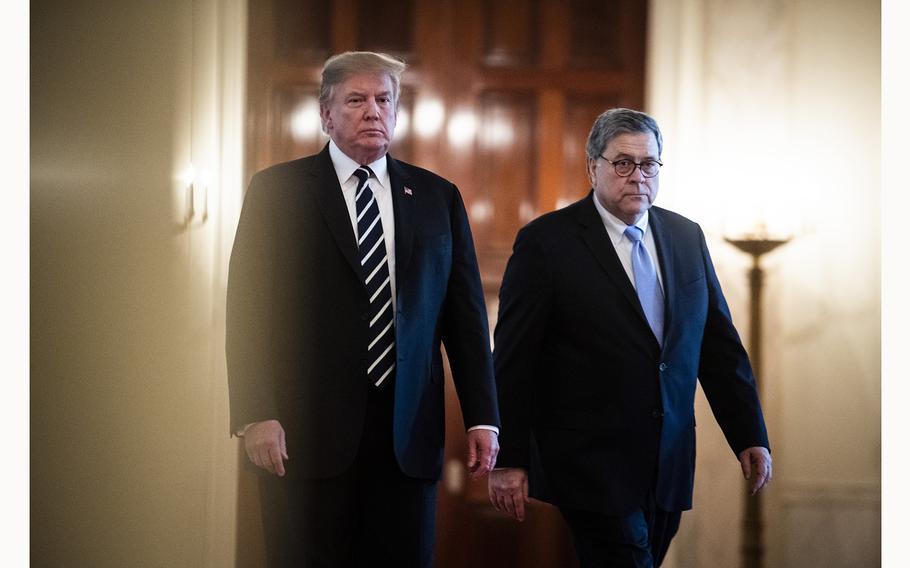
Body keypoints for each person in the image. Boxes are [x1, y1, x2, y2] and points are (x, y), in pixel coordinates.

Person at [226, 51, 500, 568]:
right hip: (302, 438)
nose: (373, 111)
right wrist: (256, 413)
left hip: (406, 440)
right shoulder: (277, 191)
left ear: (396, 113)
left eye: (383, 100)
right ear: (326, 115)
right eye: (356, 100)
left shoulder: (439, 198)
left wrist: (484, 415)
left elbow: (464, 318)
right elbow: (247, 310)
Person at [488, 108, 771, 567]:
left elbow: (719, 349)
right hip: (589, 464)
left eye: (649, 164)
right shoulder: (547, 243)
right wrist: (509, 458)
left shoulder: (685, 237)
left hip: (669, 462)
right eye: (623, 163)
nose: (638, 175)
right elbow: (514, 361)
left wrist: (749, 435)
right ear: (592, 166)